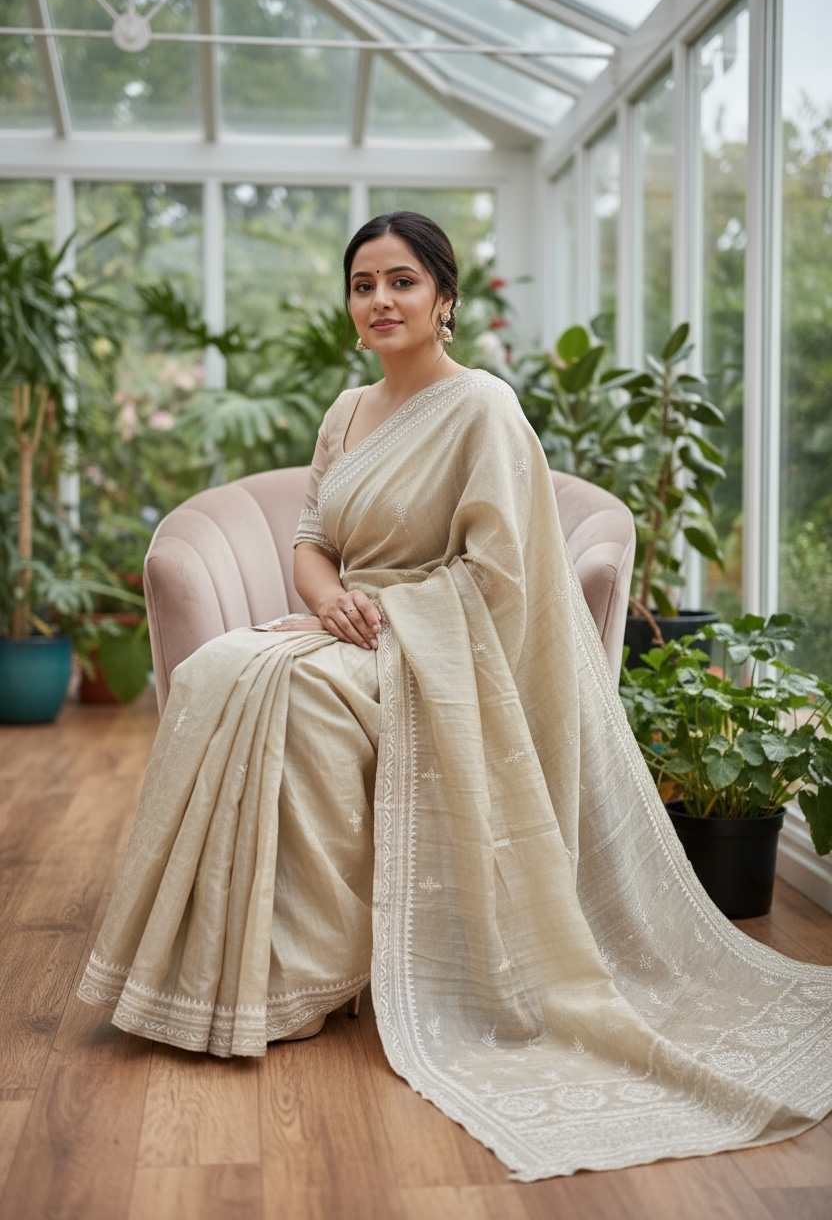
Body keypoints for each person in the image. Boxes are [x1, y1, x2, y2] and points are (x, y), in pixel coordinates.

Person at [79, 212, 832, 1181]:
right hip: (351, 626)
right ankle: (209, 965)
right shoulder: (345, 412)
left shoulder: (482, 408)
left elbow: (499, 579)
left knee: (296, 703)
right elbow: (310, 541)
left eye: (400, 281)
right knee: (222, 670)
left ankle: (303, 976)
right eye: (362, 285)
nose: (379, 301)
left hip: (437, 652)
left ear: (443, 298)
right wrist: (325, 604)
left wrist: (383, 619)